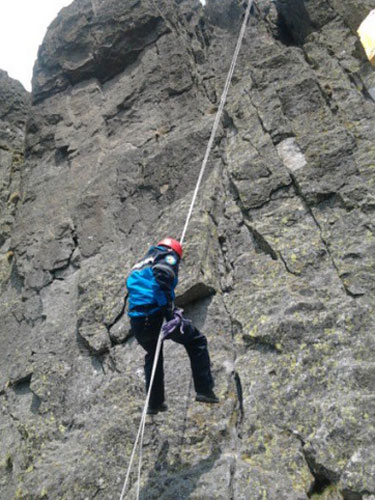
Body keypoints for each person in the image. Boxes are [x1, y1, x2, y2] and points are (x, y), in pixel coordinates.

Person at [126, 237, 218, 414]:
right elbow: (163, 275)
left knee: (153, 356)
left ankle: (154, 403)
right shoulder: (168, 255)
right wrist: (169, 311)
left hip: (138, 320)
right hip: (155, 315)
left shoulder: (141, 263)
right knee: (196, 341)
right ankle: (204, 390)